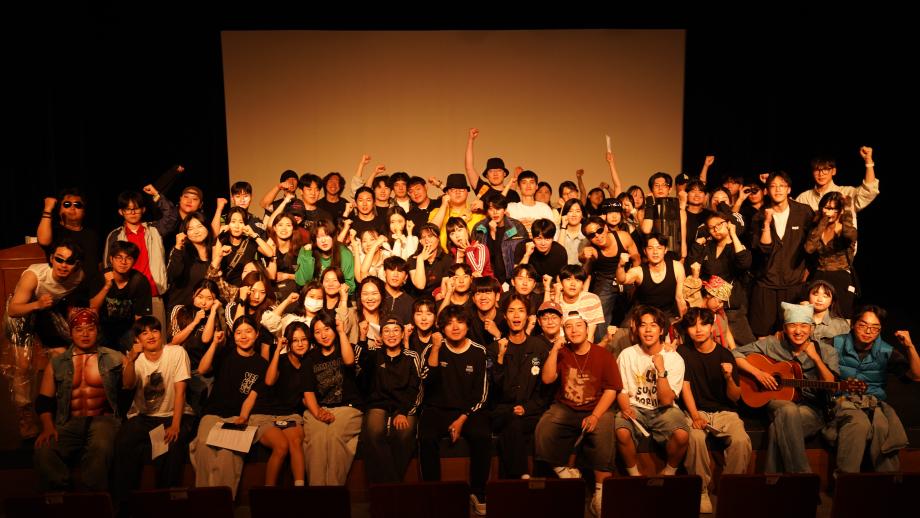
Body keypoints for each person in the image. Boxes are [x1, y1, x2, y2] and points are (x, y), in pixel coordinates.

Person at [732, 302, 839, 473]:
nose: (798, 331)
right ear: (784, 328)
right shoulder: (771, 344)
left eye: (804, 325)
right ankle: (802, 477)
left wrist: (816, 359)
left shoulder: (826, 351)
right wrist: (758, 373)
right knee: (788, 409)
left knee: (777, 429)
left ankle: (772, 480)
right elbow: (734, 354)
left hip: (812, 410)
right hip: (778, 402)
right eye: (792, 325)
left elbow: (832, 387)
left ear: (811, 328)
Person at [535, 311, 621, 517]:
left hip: (596, 407)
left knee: (604, 430)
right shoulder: (562, 352)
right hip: (566, 406)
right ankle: (564, 472)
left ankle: (600, 492)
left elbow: (612, 389)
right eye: (569, 327)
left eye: (578, 326)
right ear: (564, 332)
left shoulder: (603, 354)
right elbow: (547, 379)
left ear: (587, 328)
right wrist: (554, 350)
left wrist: (595, 416)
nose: (574, 331)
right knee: (544, 428)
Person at [32, 309, 123, 491]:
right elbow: (43, 401)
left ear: (97, 330)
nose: (85, 334)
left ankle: (93, 499)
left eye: (90, 328)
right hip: (68, 421)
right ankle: (63, 496)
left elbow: (130, 385)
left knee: (100, 447)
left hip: (103, 419)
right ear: (71, 332)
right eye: (79, 329)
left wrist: (130, 363)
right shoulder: (57, 363)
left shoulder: (114, 357)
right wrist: (48, 427)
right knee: (44, 450)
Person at [5, 240, 87, 436]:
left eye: (69, 261)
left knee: (62, 357)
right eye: (59, 259)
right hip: (22, 311)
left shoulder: (78, 276)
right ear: (51, 258)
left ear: (76, 264)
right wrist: (37, 305)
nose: (63, 265)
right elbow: (13, 309)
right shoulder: (34, 276)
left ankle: (59, 410)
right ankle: (25, 419)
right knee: (23, 366)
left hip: (46, 310)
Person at [824, 306, 920, 474]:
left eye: (875, 328)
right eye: (863, 325)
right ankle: (846, 481)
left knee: (882, 426)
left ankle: (888, 482)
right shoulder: (834, 344)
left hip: (874, 404)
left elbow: (916, 376)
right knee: (858, 424)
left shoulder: (886, 351)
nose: (868, 331)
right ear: (853, 324)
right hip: (843, 402)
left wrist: (910, 346)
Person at [113, 316, 195, 509]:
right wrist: (130, 360)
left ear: (161, 334)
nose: (150, 336)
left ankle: (165, 505)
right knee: (123, 443)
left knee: (170, 447)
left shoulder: (176, 352)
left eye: (154, 331)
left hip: (173, 414)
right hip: (144, 416)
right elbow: (127, 384)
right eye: (144, 333)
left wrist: (175, 425)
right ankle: (124, 505)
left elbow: (181, 391)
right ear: (138, 339)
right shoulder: (136, 359)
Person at [677, 308, 751, 513]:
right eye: (693, 325)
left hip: (724, 412)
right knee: (695, 438)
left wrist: (728, 378)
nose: (698, 329)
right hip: (696, 410)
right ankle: (700, 491)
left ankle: (731, 488)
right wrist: (694, 416)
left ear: (712, 327)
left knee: (741, 440)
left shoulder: (725, 354)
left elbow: (735, 397)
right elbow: (685, 387)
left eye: (704, 324)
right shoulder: (683, 352)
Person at [419, 305, 490, 515]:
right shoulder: (433, 348)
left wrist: (462, 418)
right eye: (449, 324)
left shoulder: (478, 351)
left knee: (482, 436)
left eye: (460, 322)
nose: (455, 327)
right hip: (436, 408)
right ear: (442, 328)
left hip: (467, 411)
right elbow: (426, 380)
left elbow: (482, 394)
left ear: (468, 325)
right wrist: (435, 348)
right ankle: (433, 492)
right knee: (426, 437)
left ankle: (478, 492)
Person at [189, 315, 268, 498]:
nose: (243, 336)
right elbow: (202, 369)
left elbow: (252, 396)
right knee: (204, 449)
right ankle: (204, 500)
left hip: (236, 417)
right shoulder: (225, 353)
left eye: (248, 331)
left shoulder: (261, 364)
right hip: (213, 414)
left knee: (227, 455)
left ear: (256, 334)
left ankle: (224, 504)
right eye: (239, 333)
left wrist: (243, 417)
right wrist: (214, 344)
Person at [615, 306, 689, 478]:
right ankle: (634, 475)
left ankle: (669, 472)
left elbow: (666, 401)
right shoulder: (627, 355)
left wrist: (661, 371)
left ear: (661, 330)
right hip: (635, 407)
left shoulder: (674, 358)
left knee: (682, 435)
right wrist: (626, 408)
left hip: (664, 409)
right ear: (637, 329)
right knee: (622, 431)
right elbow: (622, 390)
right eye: (643, 325)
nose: (648, 330)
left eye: (653, 325)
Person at [235, 320, 311, 487]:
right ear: (288, 343)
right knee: (281, 446)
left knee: (295, 442)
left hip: (289, 414)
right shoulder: (280, 360)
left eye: (303, 339)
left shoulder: (308, 364)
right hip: (264, 414)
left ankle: (300, 490)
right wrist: (277, 351)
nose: (300, 344)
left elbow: (305, 396)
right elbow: (269, 381)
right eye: (295, 340)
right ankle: (269, 494)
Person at [487, 295, 552, 479]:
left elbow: (545, 390)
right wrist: (500, 358)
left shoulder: (539, 347)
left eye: (521, 311)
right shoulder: (493, 349)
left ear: (528, 317)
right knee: (512, 422)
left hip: (530, 412)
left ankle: (515, 482)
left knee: (521, 427)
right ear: (505, 316)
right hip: (501, 411)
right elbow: (492, 390)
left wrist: (527, 408)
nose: (516, 315)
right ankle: (522, 478)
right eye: (511, 311)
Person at [749, 172, 814, 337]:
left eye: (782, 186)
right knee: (763, 334)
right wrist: (766, 223)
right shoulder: (759, 216)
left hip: (794, 284)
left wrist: (808, 270)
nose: (778, 190)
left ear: (789, 189)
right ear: (766, 191)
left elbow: (813, 244)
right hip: (766, 284)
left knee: (793, 334)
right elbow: (762, 250)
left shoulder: (803, 212)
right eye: (773, 186)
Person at [302, 312, 364, 486]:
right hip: (319, 408)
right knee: (317, 440)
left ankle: (334, 491)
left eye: (327, 329)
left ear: (334, 330)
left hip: (348, 407)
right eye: (317, 332)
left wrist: (342, 332)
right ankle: (317, 489)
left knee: (334, 436)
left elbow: (349, 361)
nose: (323, 335)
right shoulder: (310, 358)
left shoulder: (346, 347)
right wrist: (318, 413)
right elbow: (308, 392)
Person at [360, 318, 423, 484]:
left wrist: (403, 411)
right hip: (378, 404)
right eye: (386, 331)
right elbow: (360, 365)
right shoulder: (375, 354)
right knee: (373, 432)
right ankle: (390, 485)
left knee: (404, 433)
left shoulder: (412, 356)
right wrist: (363, 338)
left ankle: (387, 486)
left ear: (402, 334)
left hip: (404, 404)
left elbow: (416, 388)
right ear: (381, 336)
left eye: (396, 330)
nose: (391, 334)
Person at [104, 188, 176, 330]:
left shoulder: (154, 229)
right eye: (128, 209)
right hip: (126, 298)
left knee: (156, 337)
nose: (132, 212)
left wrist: (156, 195)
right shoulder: (115, 235)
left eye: (136, 208)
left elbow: (172, 217)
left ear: (143, 210)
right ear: (121, 212)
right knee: (129, 338)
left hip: (153, 294)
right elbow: (108, 266)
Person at [686, 209, 755, 344]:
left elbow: (744, 263)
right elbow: (693, 265)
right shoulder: (708, 246)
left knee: (746, 344)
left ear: (728, 224)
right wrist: (697, 244)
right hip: (709, 305)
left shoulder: (736, 246)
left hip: (731, 306)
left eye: (719, 224)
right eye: (711, 227)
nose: (716, 229)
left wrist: (733, 234)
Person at [169, 279, 224, 414]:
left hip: (202, 372)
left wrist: (213, 312)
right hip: (180, 369)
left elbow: (206, 339)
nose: (203, 302)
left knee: (201, 411)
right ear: (193, 295)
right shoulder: (180, 310)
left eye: (209, 299)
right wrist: (194, 322)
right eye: (200, 297)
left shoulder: (216, 316)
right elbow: (175, 341)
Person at [795, 147, 879, 232]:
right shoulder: (804, 198)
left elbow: (869, 190)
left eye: (825, 169)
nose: (821, 174)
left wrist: (868, 161)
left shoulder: (846, 193)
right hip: (813, 240)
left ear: (834, 171)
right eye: (817, 170)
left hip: (842, 240)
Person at [804, 192, 858, 318]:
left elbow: (848, 235)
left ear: (840, 210)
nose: (830, 212)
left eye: (834, 209)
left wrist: (847, 208)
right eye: (827, 208)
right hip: (820, 275)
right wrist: (823, 221)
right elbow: (809, 248)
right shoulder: (817, 229)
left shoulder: (845, 229)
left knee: (840, 317)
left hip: (840, 276)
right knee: (816, 316)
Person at [580, 215, 640, 328]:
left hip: (626, 275)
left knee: (636, 310)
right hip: (605, 279)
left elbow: (636, 258)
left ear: (606, 228)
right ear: (589, 238)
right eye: (592, 235)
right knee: (598, 314)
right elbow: (583, 264)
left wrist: (634, 281)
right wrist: (583, 257)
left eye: (599, 230)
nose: (597, 236)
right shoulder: (592, 249)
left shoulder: (623, 237)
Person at [92, 240, 152, 351]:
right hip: (102, 328)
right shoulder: (101, 277)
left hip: (128, 329)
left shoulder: (140, 281)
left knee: (140, 347)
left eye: (128, 258)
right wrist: (107, 286)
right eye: (119, 257)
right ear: (111, 259)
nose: (123, 262)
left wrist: (138, 339)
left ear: (134, 261)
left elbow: (139, 317)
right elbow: (92, 307)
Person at [617, 233, 687, 322]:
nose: (655, 252)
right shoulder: (639, 271)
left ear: (665, 250)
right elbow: (622, 280)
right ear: (645, 251)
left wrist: (683, 321)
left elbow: (680, 298)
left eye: (659, 248)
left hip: (667, 315)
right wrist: (621, 266)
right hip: (643, 316)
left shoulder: (677, 267)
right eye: (650, 248)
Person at [36, 189, 101, 285]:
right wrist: (48, 209)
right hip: (64, 288)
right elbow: (43, 241)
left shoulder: (92, 234)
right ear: (59, 210)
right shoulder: (54, 231)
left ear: (84, 211)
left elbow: (98, 264)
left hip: (91, 287)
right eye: (67, 204)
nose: (72, 208)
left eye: (78, 205)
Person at [470, 194, 528, 284]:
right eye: (491, 209)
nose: (495, 212)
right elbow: (475, 255)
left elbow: (525, 252)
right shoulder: (479, 228)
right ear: (487, 211)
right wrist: (492, 234)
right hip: (487, 279)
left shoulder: (516, 227)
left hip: (511, 278)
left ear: (504, 210)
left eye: (498, 208)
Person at [165, 211, 212, 314]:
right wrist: (178, 247)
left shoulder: (215, 252)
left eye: (200, 226)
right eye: (190, 229)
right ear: (185, 233)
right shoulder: (180, 251)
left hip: (205, 311)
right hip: (181, 311)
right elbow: (172, 275)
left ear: (207, 228)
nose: (196, 231)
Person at [295, 219, 356, 294]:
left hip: (337, 295)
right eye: (318, 237)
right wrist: (307, 255)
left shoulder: (344, 253)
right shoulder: (306, 251)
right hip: (314, 295)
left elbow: (350, 286)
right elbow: (302, 282)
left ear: (333, 236)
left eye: (327, 235)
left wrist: (335, 290)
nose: (323, 240)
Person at [428, 173, 486, 252]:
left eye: (461, 189)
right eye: (453, 189)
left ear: (467, 192)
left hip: (474, 256)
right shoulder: (437, 212)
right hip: (445, 257)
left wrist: (486, 207)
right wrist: (444, 205)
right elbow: (431, 232)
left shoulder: (479, 213)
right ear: (447, 193)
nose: (457, 192)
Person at [464, 127, 520, 204]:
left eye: (499, 170)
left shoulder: (513, 194)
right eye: (491, 171)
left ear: (504, 174)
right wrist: (471, 140)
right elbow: (469, 167)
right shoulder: (483, 188)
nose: (495, 174)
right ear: (487, 175)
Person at [513, 219, 568, 291]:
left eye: (547, 239)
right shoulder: (522, 246)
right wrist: (527, 254)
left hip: (551, 286)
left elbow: (560, 279)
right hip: (527, 286)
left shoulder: (559, 251)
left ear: (552, 239)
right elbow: (516, 276)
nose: (543, 243)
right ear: (533, 238)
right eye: (539, 238)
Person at [641, 172, 685, 261]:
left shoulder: (679, 211)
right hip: (652, 256)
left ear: (670, 189)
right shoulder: (644, 211)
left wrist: (683, 257)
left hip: (673, 256)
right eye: (656, 185)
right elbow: (646, 229)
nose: (660, 188)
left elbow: (682, 237)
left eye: (664, 185)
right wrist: (649, 204)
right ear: (651, 189)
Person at [556, 264, 605, 343]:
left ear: (583, 284)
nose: (573, 284)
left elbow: (590, 335)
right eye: (568, 279)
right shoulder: (555, 300)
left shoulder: (592, 300)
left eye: (578, 280)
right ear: (561, 282)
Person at [409, 223, 455, 298]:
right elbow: (420, 285)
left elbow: (445, 288)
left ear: (438, 238)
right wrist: (420, 259)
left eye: (430, 236)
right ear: (420, 241)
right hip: (416, 300)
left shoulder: (446, 259)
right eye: (423, 237)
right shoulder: (413, 259)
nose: (427, 240)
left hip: (437, 298)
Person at [804, 280, 850, 350]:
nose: (819, 299)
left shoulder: (841, 325)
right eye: (815, 294)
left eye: (825, 296)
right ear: (808, 296)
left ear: (832, 301)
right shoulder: (799, 319)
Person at [507, 170, 555, 236]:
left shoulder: (544, 208)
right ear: (519, 187)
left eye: (532, 182)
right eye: (524, 182)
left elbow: (552, 233)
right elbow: (506, 234)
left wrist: (536, 228)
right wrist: (519, 227)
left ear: (536, 186)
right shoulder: (511, 208)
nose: (528, 185)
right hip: (518, 242)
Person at [555, 199, 588, 265]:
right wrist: (563, 226)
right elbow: (558, 253)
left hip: (582, 269)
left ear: (582, 214)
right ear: (565, 214)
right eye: (570, 211)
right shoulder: (557, 230)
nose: (574, 215)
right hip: (563, 269)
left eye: (577, 211)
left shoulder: (587, 231)